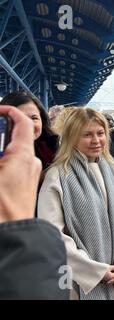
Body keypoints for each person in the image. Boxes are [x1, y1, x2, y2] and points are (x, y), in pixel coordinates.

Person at [38, 108, 114, 300]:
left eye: (100, 133)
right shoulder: (57, 176)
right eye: (87, 135)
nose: (96, 140)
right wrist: (95, 271)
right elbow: (51, 235)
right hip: (77, 284)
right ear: (72, 137)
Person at [0, 105, 68, 299]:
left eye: (33, 117)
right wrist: (17, 224)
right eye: (20, 119)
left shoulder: (56, 153)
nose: (27, 124)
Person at [0, 91, 58, 172]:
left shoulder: (57, 149)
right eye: (18, 118)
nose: (27, 124)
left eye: (34, 118)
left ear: (42, 120)